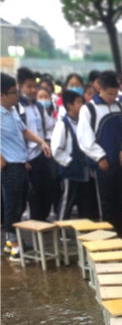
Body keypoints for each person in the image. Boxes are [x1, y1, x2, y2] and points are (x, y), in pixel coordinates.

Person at [1, 72, 51, 260]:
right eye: (14, 92)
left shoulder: (13, 110)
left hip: (20, 163)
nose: (17, 95)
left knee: (21, 202)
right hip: (10, 166)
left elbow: (24, 130)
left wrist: (41, 142)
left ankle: (12, 239)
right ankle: (12, 242)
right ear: (2, 94)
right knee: (12, 204)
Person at [77, 70, 122, 233]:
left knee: (119, 200)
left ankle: (119, 232)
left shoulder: (120, 108)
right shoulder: (88, 109)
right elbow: (85, 138)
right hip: (102, 164)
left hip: (119, 160)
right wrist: (99, 157)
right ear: (99, 89)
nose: (112, 97)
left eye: (115, 94)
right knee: (105, 202)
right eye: (109, 94)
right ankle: (109, 234)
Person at [51, 89, 97, 221]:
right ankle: (61, 229)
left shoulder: (84, 122)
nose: (81, 105)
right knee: (67, 201)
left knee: (85, 202)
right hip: (71, 170)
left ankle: (83, 230)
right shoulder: (63, 124)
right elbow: (56, 149)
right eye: (78, 102)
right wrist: (68, 161)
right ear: (69, 105)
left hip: (84, 170)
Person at [17, 67, 55, 221]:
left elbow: (48, 128)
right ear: (20, 86)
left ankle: (42, 219)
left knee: (45, 190)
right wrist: (22, 158)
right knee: (30, 194)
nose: (33, 90)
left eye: (34, 86)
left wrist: (46, 143)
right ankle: (32, 222)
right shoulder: (16, 108)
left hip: (41, 154)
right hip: (25, 157)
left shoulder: (38, 107)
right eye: (29, 87)